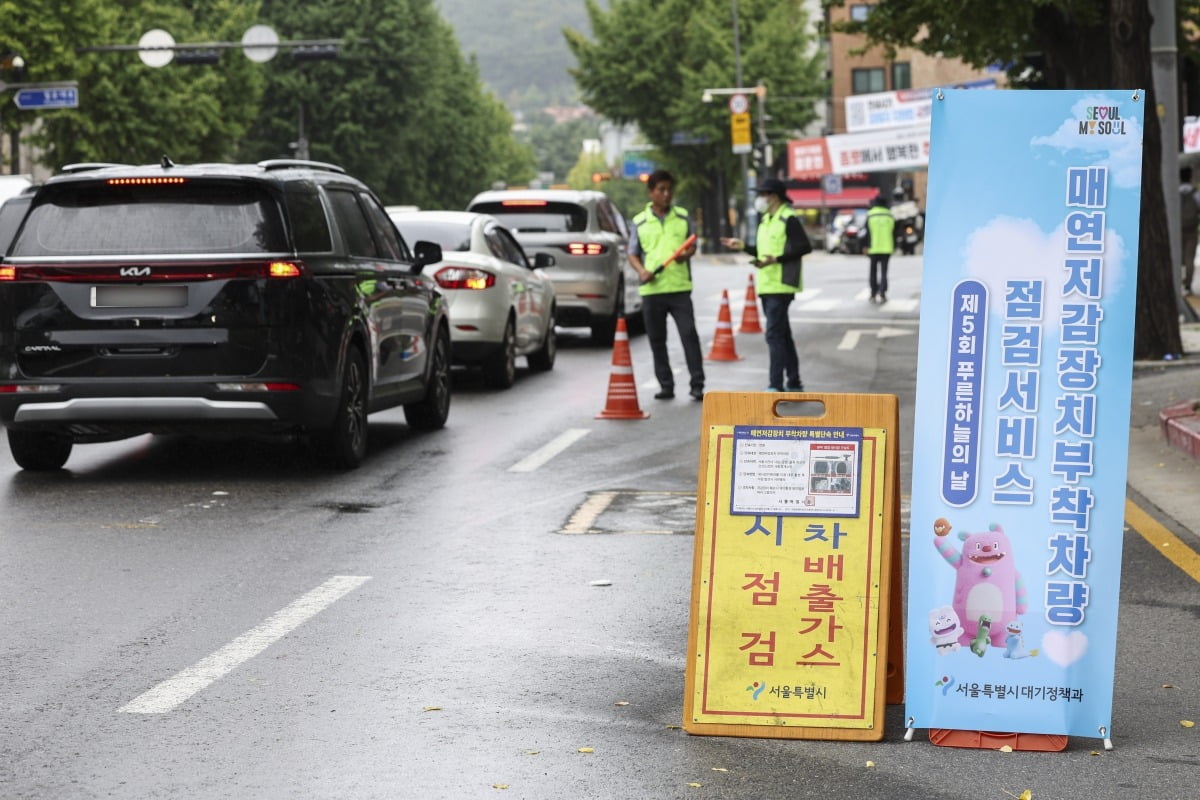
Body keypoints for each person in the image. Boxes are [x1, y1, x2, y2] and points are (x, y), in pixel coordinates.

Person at [719, 177, 812, 392]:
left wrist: (776, 259)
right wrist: (742, 246)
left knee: (773, 334)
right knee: (782, 334)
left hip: (782, 284)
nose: (759, 199)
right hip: (767, 284)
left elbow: (804, 247)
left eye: (763, 194)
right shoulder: (766, 221)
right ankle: (794, 380)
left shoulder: (788, 219)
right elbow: (762, 252)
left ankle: (775, 384)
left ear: (774, 196)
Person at [628, 169, 704, 401]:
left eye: (669, 189)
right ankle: (666, 385)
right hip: (653, 289)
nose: (666, 194)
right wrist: (642, 271)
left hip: (679, 288)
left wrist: (687, 254)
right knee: (657, 340)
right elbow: (632, 253)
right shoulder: (639, 222)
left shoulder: (682, 217)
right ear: (651, 192)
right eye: (661, 189)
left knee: (689, 334)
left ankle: (697, 384)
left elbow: (692, 244)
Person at [865, 194, 896, 303]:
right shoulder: (889, 215)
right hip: (887, 248)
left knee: (873, 271)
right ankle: (882, 291)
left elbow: (867, 233)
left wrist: (865, 246)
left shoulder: (870, 214)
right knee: (884, 271)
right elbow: (894, 232)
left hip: (873, 248)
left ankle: (873, 292)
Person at [1180, 166, 1199, 296]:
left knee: (1176, 257)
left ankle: (1176, 283)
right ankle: (1187, 286)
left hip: (1176, 230)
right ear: (1190, 176)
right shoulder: (1196, 193)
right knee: (1189, 258)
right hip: (1191, 230)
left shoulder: (1174, 192)